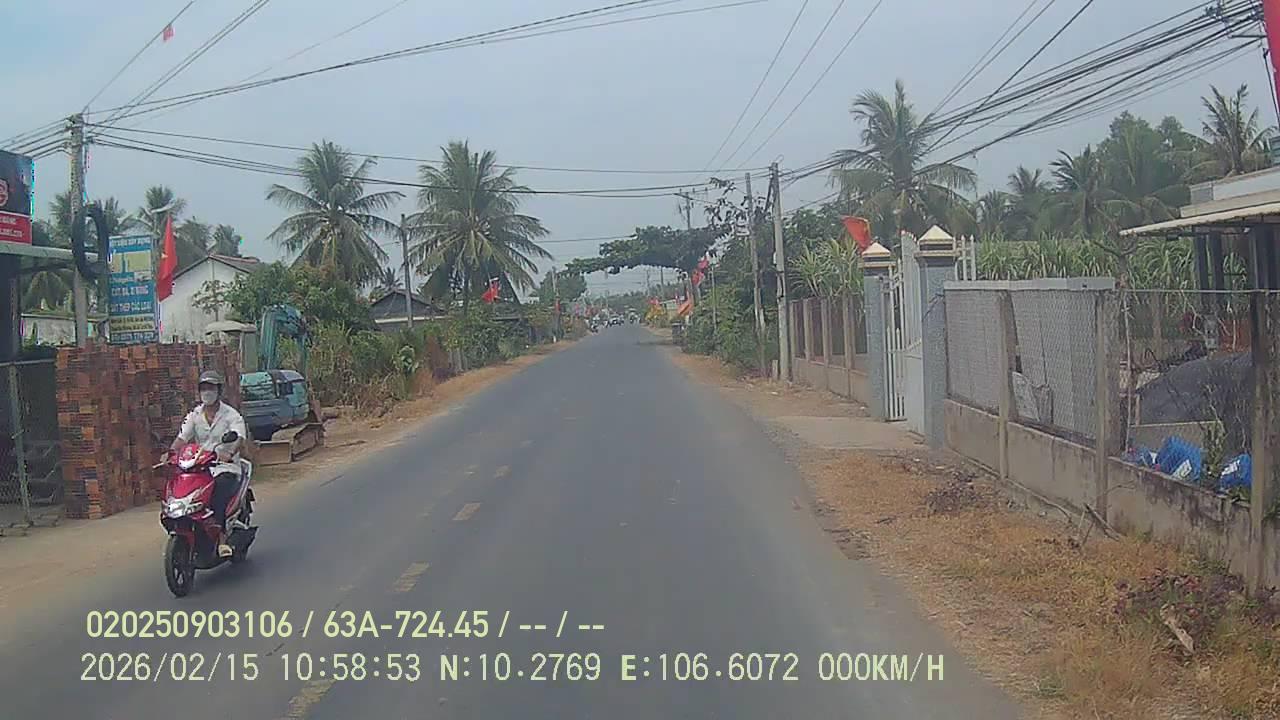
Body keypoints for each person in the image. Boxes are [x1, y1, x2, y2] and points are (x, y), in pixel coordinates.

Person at [169, 370, 247, 558]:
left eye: (211, 388)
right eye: (203, 388)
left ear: (219, 390)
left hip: (224, 466)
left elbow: (239, 437)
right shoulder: (194, 415)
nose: (207, 392)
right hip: (199, 467)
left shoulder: (231, 415)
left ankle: (221, 539)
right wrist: (170, 453)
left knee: (217, 493)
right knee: (181, 486)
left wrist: (229, 452)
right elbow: (182, 438)